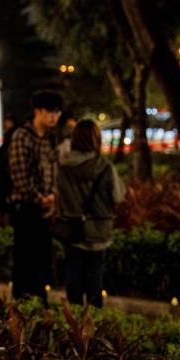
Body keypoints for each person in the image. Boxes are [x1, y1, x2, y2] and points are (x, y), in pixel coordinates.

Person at [56, 120, 125, 308]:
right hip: (99, 230)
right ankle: (94, 327)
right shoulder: (105, 167)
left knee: (73, 278)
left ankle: (75, 325)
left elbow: (57, 197)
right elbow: (118, 196)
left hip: (72, 230)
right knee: (95, 278)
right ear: (97, 139)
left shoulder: (62, 167)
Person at [8, 91, 63, 303]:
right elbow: (20, 175)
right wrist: (41, 198)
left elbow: (54, 171)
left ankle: (40, 302)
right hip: (26, 208)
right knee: (24, 260)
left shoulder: (50, 138)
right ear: (37, 111)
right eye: (50, 112)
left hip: (45, 209)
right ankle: (22, 304)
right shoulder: (22, 136)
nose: (54, 117)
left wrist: (53, 196)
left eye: (57, 112)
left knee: (42, 259)